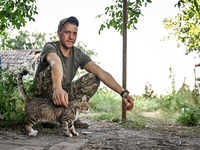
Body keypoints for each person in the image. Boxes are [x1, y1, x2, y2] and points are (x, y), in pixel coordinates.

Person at [34, 16, 134, 128]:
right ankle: (48, 118)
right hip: (43, 98)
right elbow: (55, 62)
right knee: (58, 68)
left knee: (94, 77)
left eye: (74, 33)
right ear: (59, 32)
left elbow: (100, 72)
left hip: (64, 95)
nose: (71, 37)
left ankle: (71, 116)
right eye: (67, 32)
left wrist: (123, 93)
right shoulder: (50, 47)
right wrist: (57, 88)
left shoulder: (78, 54)